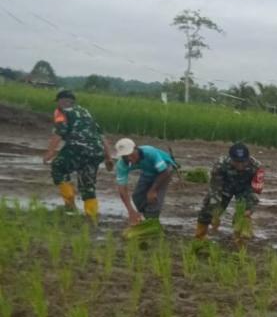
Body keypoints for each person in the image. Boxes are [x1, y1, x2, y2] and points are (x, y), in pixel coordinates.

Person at [42, 90, 110, 223]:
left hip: (77, 147)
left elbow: (59, 133)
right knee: (88, 185)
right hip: (96, 151)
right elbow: (102, 136)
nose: (58, 104)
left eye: (59, 101)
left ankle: (70, 204)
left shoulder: (61, 112)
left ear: (63, 101)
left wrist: (50, 152)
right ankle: (91, 216)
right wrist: (108, 157)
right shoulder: (86, 113)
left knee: (58, 167)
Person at [196, 142, 265, 240]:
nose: (240, 165)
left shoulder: (256, 166)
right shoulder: (220, 164)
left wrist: (250, 207)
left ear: (248, 158)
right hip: (224, 187)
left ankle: (240, 237)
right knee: (208, 209)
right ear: (231, 158)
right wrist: (215, 211)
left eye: (243, 162)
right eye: (237, 162)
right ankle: (200, 237)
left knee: (243, 213)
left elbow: (255, 190)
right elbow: (215, 188)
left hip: (244, 189)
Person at [113, 138, 177, 225]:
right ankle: (143, 217)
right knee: (137, 198)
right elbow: (122, 189)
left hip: (165, 169)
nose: (129, 158)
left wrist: (152, 190)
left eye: (130, 154)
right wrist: (130, 210)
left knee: (154, 199)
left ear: (136, 148)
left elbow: (164, 172)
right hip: (148, 171)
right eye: (125, 156)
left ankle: (152, 223)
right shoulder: (122, 164)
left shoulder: (149, 152)